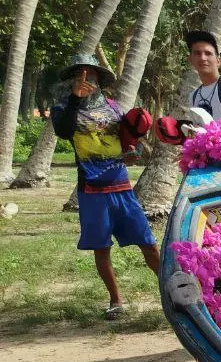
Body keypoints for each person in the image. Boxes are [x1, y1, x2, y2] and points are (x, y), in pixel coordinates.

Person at [51, 54, 159, 320]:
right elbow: (64, 132)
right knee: (101, 247)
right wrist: (76, 99)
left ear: (99, 79)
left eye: (91, 74)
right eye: (80, 74)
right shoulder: (63, 108)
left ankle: (171, 291)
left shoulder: (114, 107)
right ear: (74, 78)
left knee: (148, 242)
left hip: (121, 185)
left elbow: (126, 140)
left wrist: (131, 151)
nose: (86, 79)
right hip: (91, 189)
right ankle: (116, 301)